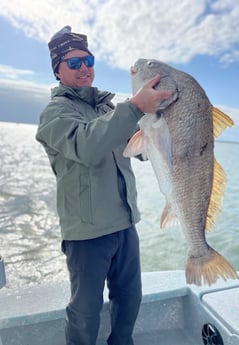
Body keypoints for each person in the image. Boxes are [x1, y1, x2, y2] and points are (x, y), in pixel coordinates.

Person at [36, 25, 171, 345]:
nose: (84, 68)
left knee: (130, 300)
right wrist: (136, 106)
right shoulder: (54, 113)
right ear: (58, 69)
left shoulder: (107, 108)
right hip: (86, 233)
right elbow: (87, 145)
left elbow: (137, 147)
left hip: (124, 224)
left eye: (89, 60)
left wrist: (163, 116)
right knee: (86, 311)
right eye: (73, 63)